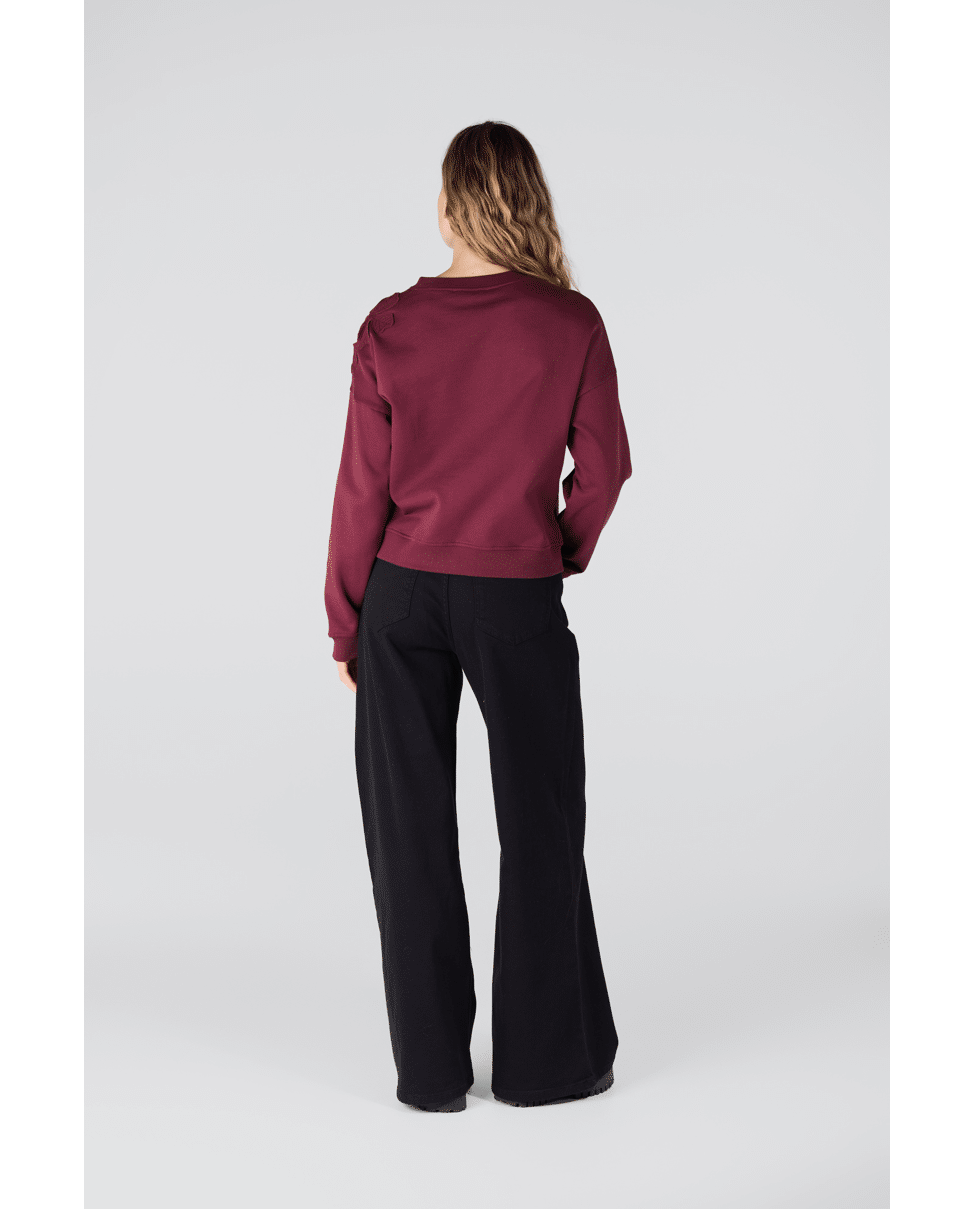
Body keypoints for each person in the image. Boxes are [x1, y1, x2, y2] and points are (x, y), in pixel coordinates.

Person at [324, 121, 632, 1112]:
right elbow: (607, 469)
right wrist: (555, 549)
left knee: (408, 835)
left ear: (448, 207)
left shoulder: (390, 326)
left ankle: (430, 1074)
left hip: (401, 595)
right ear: (526, 202)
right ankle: (547, 1067)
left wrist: (346, 621)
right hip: (514, 594)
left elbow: (360, 491)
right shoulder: (570, 323)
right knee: (541, 822)